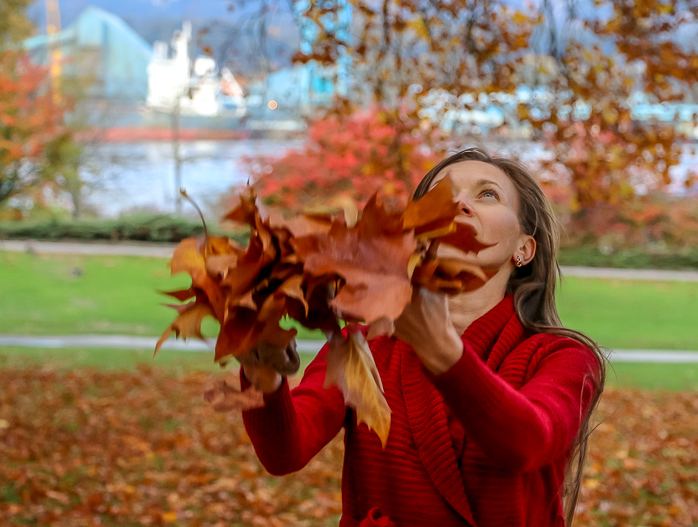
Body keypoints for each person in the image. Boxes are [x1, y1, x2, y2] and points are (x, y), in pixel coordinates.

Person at [239, 147, 606, 527]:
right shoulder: (365, 344)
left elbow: (526, 442)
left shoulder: (564, 356)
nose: (458, 203)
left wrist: (440, 350)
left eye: (487, 194)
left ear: (523, 249)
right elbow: (284, 452)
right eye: (440, 196)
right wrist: (262, 374)